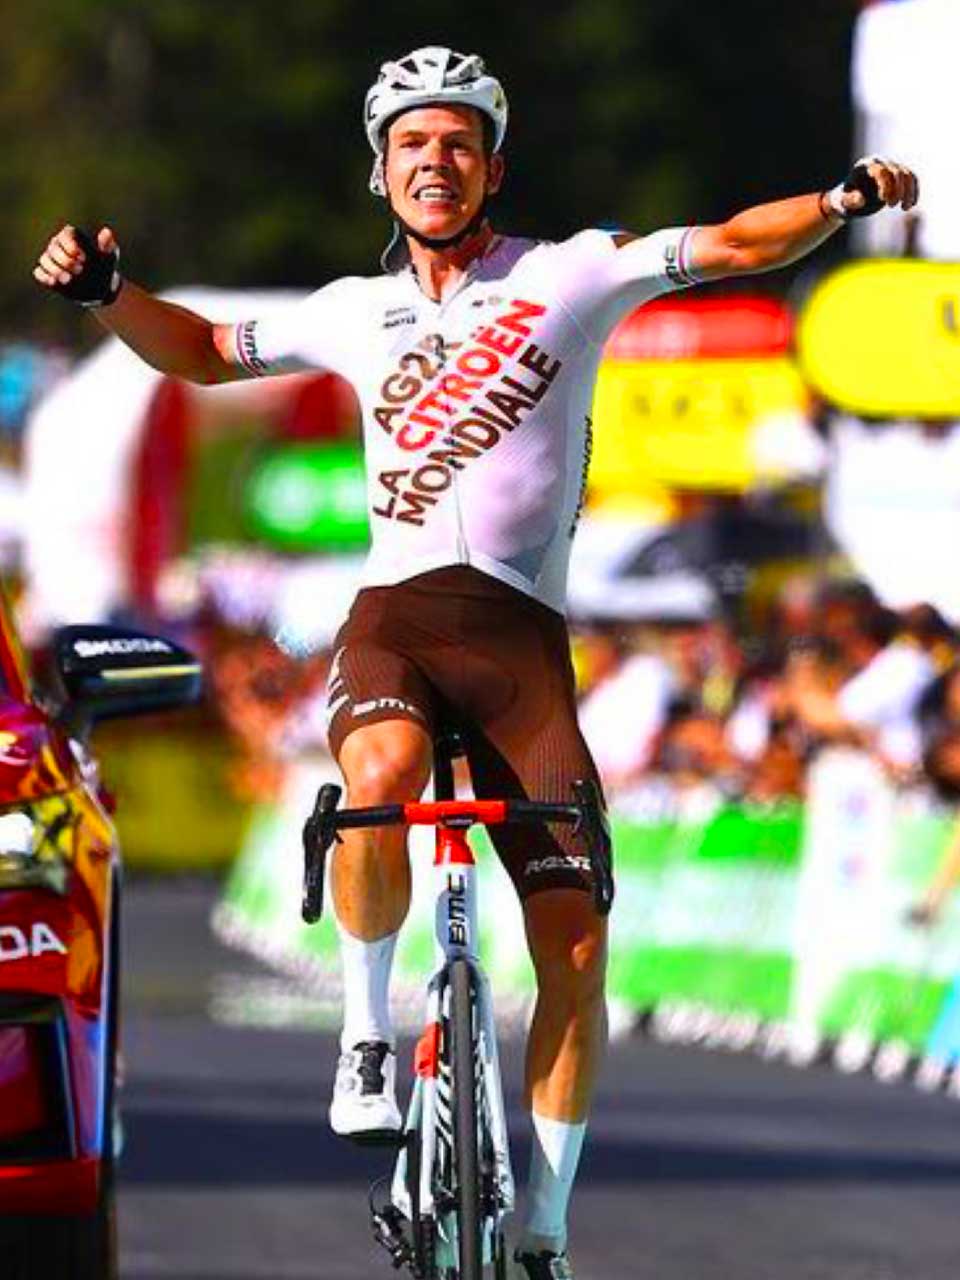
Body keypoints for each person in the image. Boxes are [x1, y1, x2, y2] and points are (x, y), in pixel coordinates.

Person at [33, 45, 919, 1280]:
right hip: (395, 621)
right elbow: (200, 347)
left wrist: (835, 202)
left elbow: (730, 245)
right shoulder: (351, 310)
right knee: (379, 776)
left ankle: (544, 1223)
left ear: (493, 169)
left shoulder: (570, 275)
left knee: (575, 949)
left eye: (458, 142)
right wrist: (109, 293)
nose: (434, 161)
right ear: (381, 173)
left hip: (521, 650)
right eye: (411, 143)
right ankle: (363, 1034)